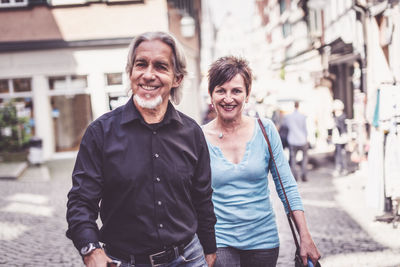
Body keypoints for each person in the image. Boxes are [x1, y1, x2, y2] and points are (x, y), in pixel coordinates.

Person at [66, 31, 217, 267]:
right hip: (124, 261)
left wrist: (209, 248)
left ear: (176, 78)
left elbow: (202, 198)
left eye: (160, 66)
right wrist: (90, 248)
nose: (148, 75)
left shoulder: (192, 133)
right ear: (130, 72)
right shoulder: (100, 133)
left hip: (189, 258)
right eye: (141, 64)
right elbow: (81, 201)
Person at [202, 56, 320, 267]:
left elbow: (287, 187)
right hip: (220, 241)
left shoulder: (265, 130)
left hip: (263, 241)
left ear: (247, 95)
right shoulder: (199, 137)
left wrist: (305, 236)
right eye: (221, 90)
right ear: (211, 95)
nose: (228, 98)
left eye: (236, 91)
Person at [283, 101, 309, 182]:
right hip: (302, 139)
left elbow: (284, 126)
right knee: (305, 158)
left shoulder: (288, 117)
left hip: (292, 140)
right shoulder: (303, 116)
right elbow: (305, 129)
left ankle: (295, 176)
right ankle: (303, 175)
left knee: (293, 159)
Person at [331, 99, 348, 176]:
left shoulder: (341, 117)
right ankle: (342, 168)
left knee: (340, 154)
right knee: (339, 153)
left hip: (341, 138)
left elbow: (342, 128)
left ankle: (341, 168)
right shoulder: (337, 116)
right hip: (338, 138)